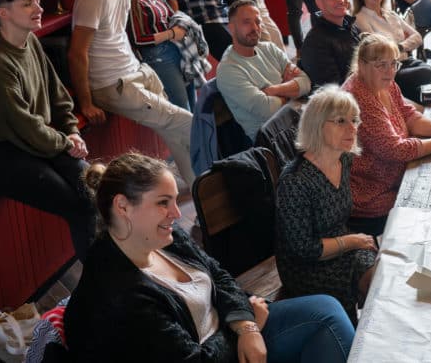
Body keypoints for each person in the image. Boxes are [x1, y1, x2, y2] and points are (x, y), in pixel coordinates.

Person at [64, 152, 355, 362]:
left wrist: (246, 324)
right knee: (325, 324)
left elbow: (218, 274)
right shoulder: (119, 295)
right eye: (163, 203)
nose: (177, 214)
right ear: (123, 207)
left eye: (175, 200)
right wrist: (248, 327)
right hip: (219, 350)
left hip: (234, 327)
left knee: (326, 312)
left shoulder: (161, 237)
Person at [0, 0, 96, 261]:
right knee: (78, 205)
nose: (38, 8)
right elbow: (20, 123)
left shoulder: (30, 40)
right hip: (0, 151)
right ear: (3, 13)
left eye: (37, 1)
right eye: (27, 4)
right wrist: (64, 143)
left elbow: (56, 92)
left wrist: (72, 130)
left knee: (95, 193)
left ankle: (116, 273)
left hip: (41, 138)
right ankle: (104, 286)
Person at [69, 0, 196, 186]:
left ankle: (197, 185)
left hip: (137, 70)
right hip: (112, 83)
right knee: (190, 123)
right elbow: (76, 53)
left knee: (172, 128)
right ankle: (206, 180)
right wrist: (86, 103)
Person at [344, 35, 431, 236]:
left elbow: (410, 116)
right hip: (372, 193)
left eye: (393, 64)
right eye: (381, 65)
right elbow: (396, 150)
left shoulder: (384, 83)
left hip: (396, 175)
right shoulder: (359, 99)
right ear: (362, 65)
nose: (389, 71)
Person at [275, 86, 378, 320]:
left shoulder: (343, 159)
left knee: (381, 281)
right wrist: (352, 241)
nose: (352, 128)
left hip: (340, 246)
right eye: (341, 121)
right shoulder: (295, 181)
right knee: (373, 282)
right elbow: (305, 249)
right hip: (307, 267)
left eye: (354, 120)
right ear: (317, 126)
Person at [216, 0, 311, 139]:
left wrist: (273, 90)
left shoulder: (269, 48)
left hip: (297, 122)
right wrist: (290, 91)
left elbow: (306, 83)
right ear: (231, 28)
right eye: (246, 22)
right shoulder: (228, 69)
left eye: (258, 22)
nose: (255, 28)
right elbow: (267, 109)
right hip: (273, 140)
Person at [128, 0, 203, 112]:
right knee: (182, 109)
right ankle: (191, 137)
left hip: (177, 49)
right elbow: (138, 40)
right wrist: (171, 33)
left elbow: (170, 16)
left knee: (194, 104)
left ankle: (198, 137)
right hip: (158, 57)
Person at [352, 0, 431, 103]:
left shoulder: (390, 14)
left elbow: (417, 37)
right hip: (388, 71)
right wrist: (404, 45)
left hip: (406, 61)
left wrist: (399, 47)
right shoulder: (360, 18)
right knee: (429, 74)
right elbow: (378, 50)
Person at [299, 0, 362, 88]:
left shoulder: (350, 26)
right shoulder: (315, 43)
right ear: (319, 4)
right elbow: (334, 87)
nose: (341, 0)